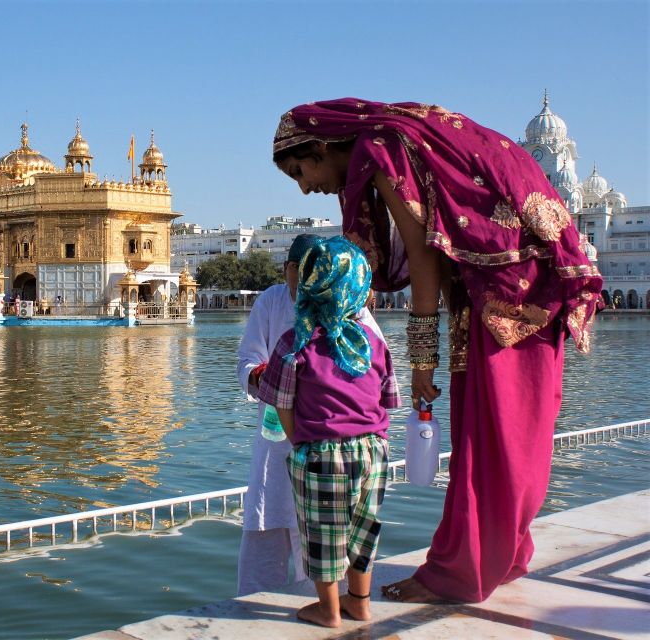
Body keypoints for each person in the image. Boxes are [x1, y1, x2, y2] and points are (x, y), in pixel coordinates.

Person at [272, 99, 603, 604]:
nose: (305, 186)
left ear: (321, 144)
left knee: (491, 435)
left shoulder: (380, 149)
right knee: (516, 435)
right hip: (526, 286)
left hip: (505, 295)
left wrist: (422, 360)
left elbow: (424, 255)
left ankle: (459, 572)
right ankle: (501, 555)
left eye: (302, 169)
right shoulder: (404, 136)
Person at [255, 236, 399, 627]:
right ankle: (360, 602)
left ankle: (329, 610)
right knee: (362, 531)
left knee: (322, 534)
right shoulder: (372, 343)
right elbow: (388, 398)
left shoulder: (295, 344)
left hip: (320, 452)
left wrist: (300, 439)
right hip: (373, 451)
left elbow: (281, 403)